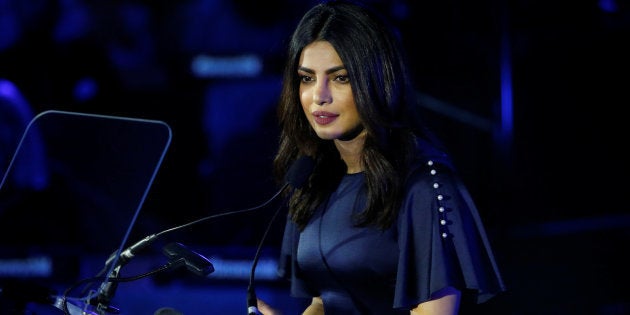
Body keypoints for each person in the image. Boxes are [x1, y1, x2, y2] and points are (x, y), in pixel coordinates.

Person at [260, 0, 506, 314]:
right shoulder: (313, 176)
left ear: (378, 80)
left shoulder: (425, 184)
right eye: (307, 78)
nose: (318, 95)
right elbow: (324, 301)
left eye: (341, 78)